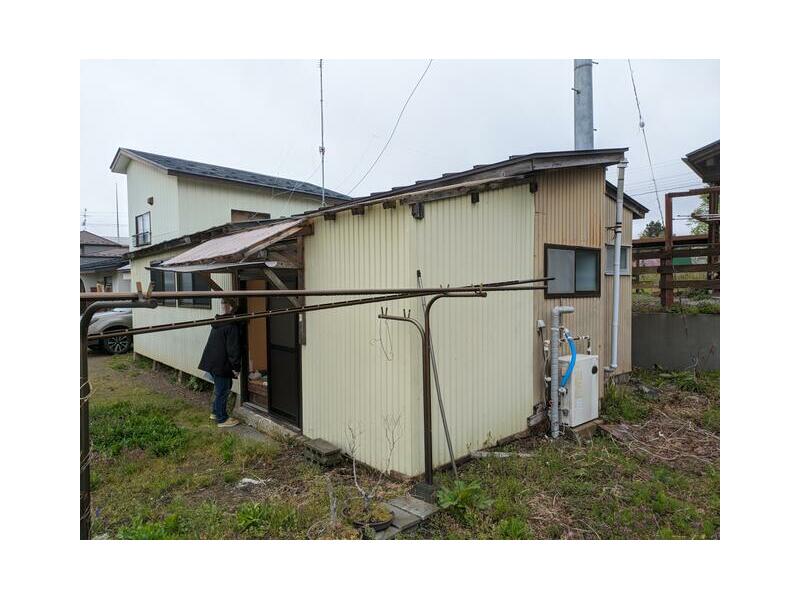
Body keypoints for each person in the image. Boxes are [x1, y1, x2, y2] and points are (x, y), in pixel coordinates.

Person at [198, 297, 242, 427]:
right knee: (223, 390)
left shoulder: (218, 322)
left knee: (219, 389)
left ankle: (215, 413)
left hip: (212, 362)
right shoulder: (230, 325)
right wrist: (236, 368)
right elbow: (233, 349)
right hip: (221, 364)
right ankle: (222, 419)